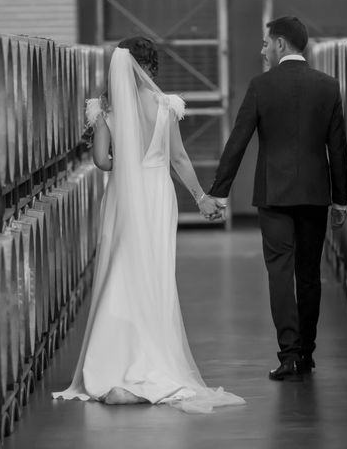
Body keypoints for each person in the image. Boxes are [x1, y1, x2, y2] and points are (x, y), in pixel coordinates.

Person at [52, 36, 245, 413]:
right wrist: (202, 198)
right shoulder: (164, 106)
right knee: (154, 273)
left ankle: (111, 364)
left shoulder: (106, 111)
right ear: (150, 68)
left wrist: (120, 155)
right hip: (157, 194)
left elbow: (103, 161)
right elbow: (179, 159)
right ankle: (152, 360)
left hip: (124, 194)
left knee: (120, 268)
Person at [207, 16, 347, 382]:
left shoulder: (261, 86)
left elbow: (238, 140)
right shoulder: (328, 87)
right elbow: (338, 148)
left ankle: (287, 354)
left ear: (281, 44)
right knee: (309, 275)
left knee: (280, 273)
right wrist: (341, 199)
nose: (262, 50)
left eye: (265, 43)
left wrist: (219, 191)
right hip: (316, 195)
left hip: (273, 195)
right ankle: (307, 352)